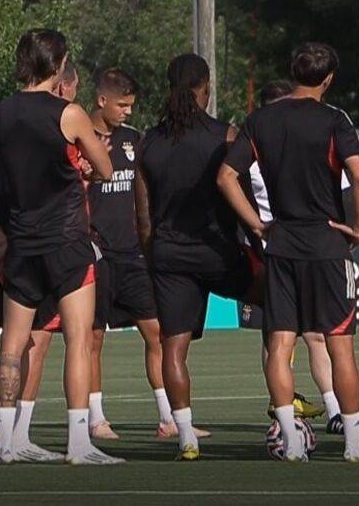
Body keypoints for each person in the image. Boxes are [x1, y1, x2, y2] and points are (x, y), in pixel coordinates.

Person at [219, 42, 359, 463]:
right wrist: (358, 227)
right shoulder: (334, 120)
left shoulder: (261, 120)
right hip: (326, 244)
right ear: (328, 79)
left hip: (282, 244)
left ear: (293, 73)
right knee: (339, 345)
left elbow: (226, 177)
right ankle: (354, 444)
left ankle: (290, 440)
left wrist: (254, 223)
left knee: (280, 345)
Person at [0, 29, 121, 465]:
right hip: (66, 241)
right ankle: (79, 443)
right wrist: (83, 165)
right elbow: (106, 168)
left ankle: (6, 441)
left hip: (21, 243)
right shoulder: (70, 113)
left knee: (11, 347)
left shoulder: (0, 114)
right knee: (78, 341)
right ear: (58, 65)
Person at [136, 54, 253, 461]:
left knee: (174, 348)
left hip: (169, 253)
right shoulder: (226, 137)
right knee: (281, 310)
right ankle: (286, 413)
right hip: (219, 251)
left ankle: (186, 438)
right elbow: (244, 197)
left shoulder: (147, 142)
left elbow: (144, 217)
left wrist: (155, 257)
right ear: (205, 88)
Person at [84, 68, 209, 441]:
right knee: (93, 339)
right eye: (122, 105)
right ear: (101, 100)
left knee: (157, 334)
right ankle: (96, 418)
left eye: (131, 106)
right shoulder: (79, 137)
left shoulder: (132, 141)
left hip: (134, 255)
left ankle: (169, 418)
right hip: (96, 251)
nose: (127, 112)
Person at [246, 79, 344, 429]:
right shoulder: (255, 146)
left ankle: (333, 409)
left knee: (314, 333)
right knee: (278, 335)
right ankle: (283, 407)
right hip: (275, 247)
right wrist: (255, 227)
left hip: (302, 244)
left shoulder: (298, 138)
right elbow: (228, 181)